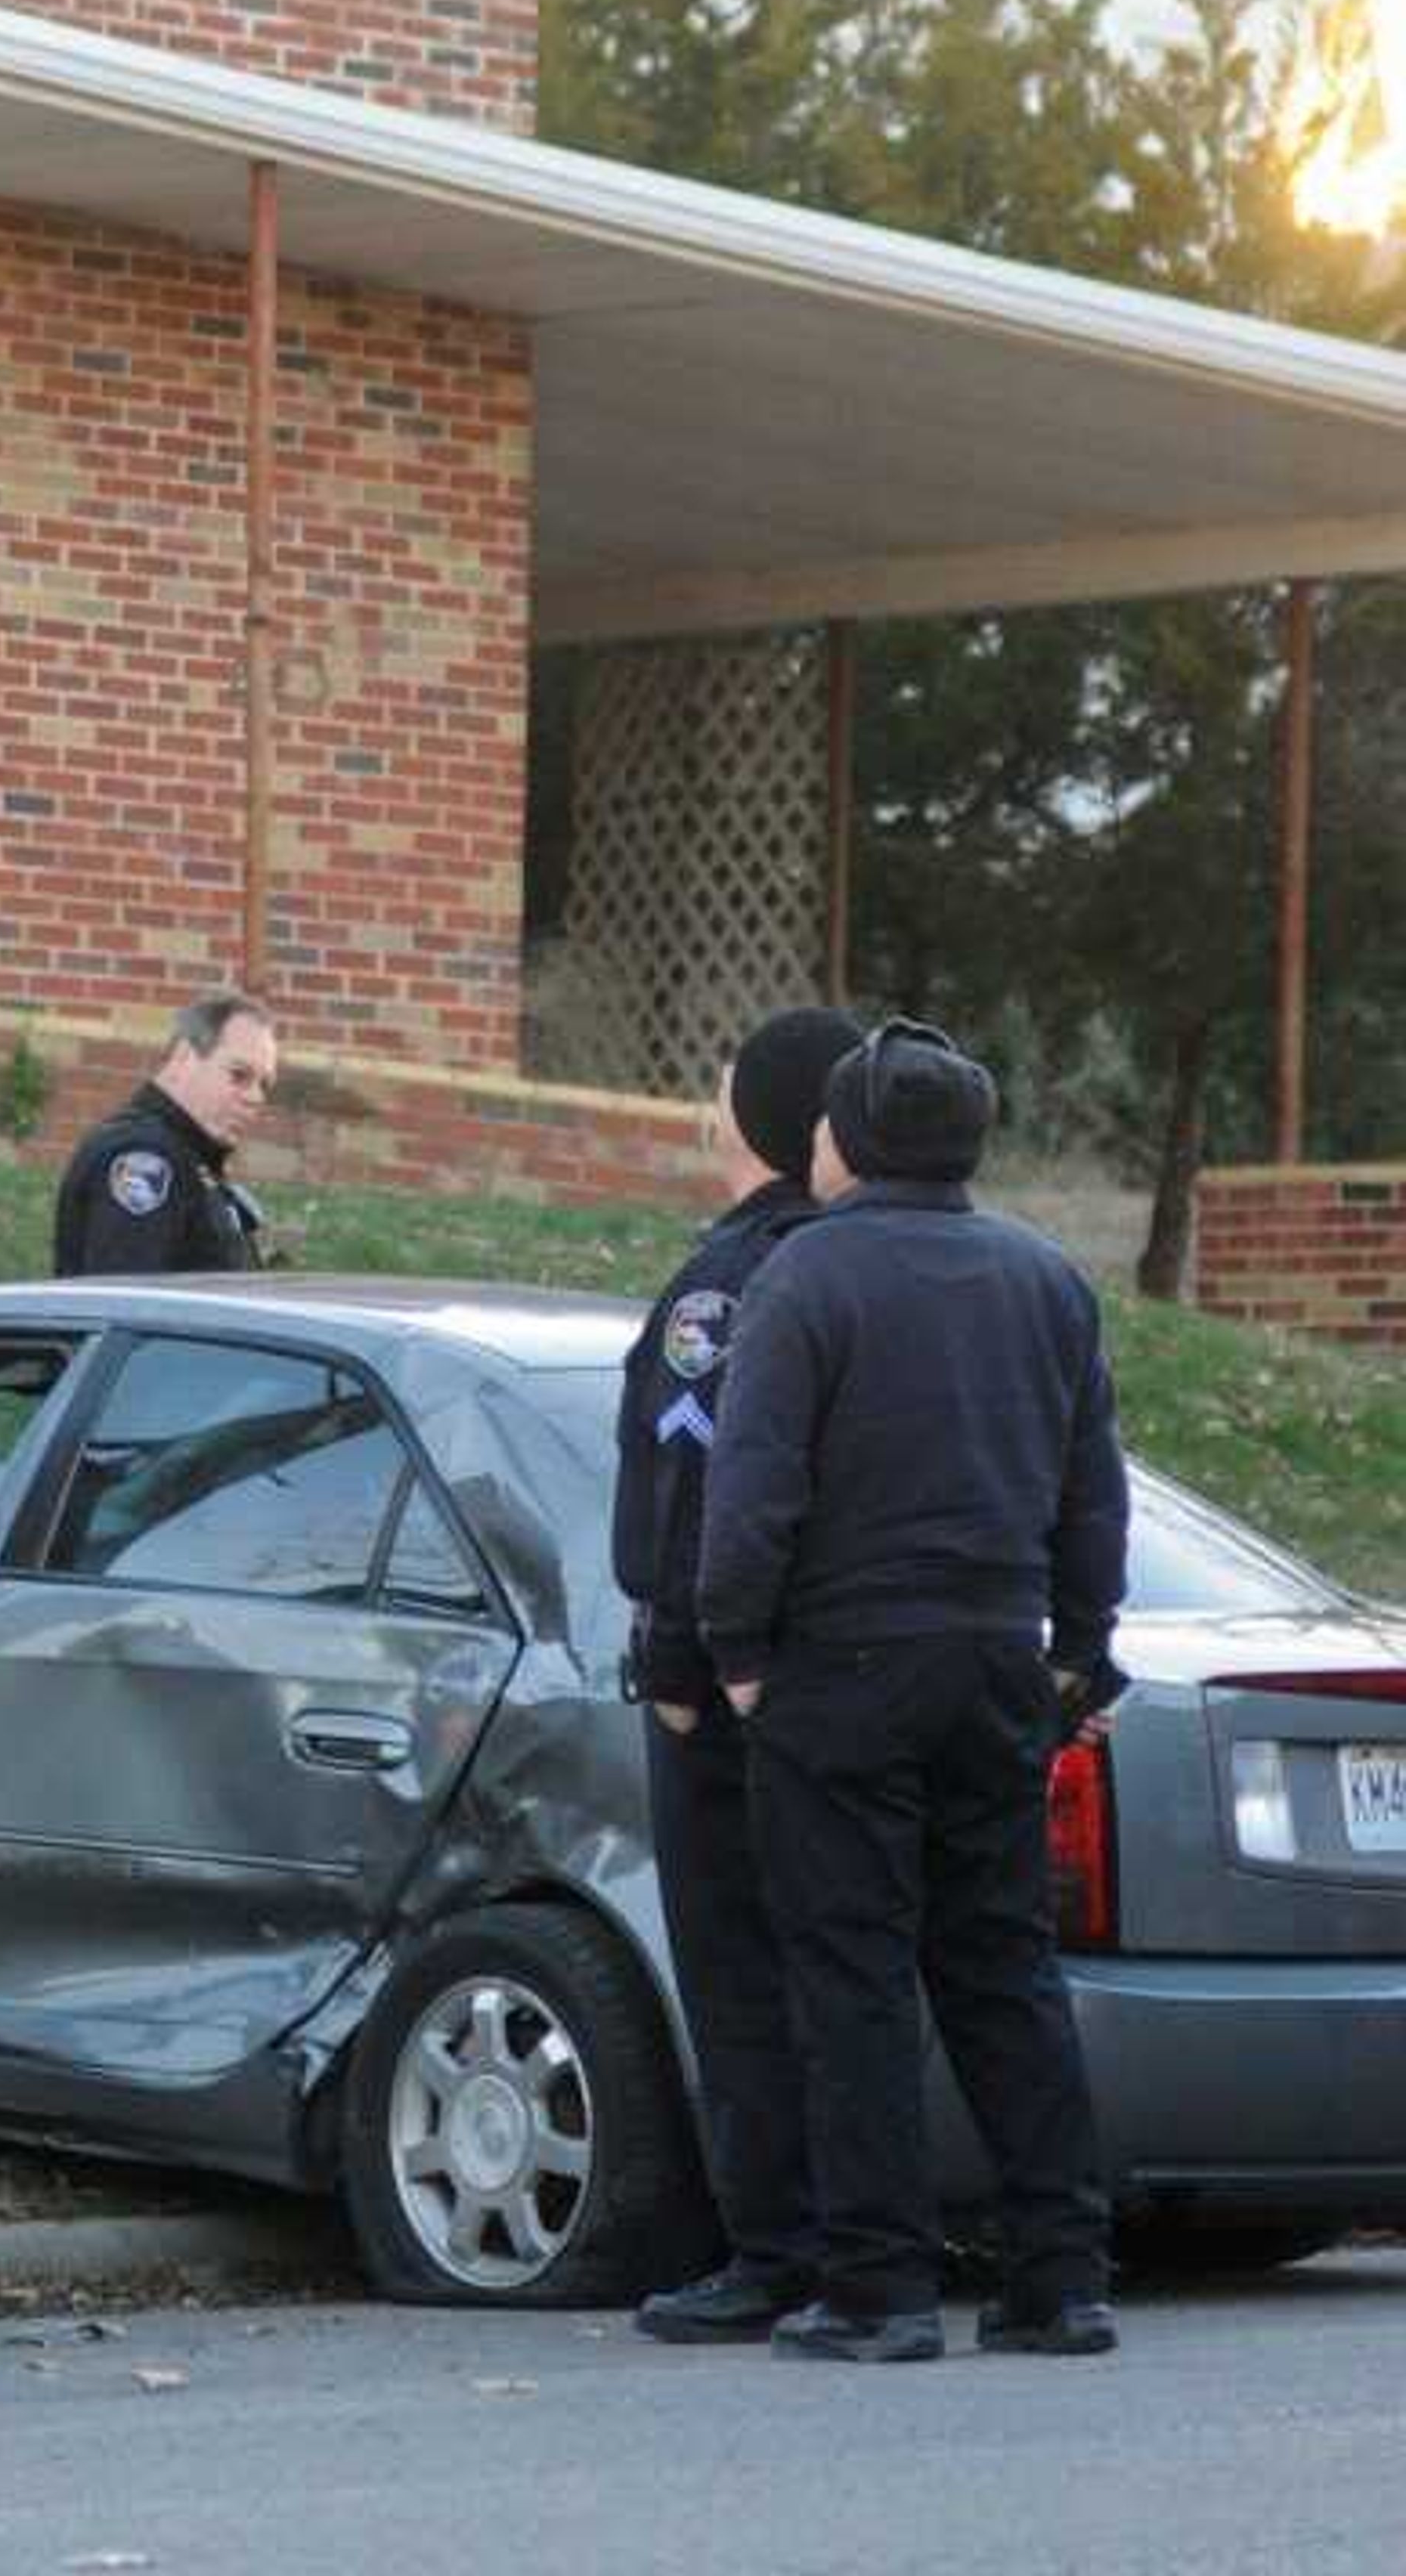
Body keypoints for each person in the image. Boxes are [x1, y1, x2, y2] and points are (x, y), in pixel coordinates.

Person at [698, 1017, 1129, 2367]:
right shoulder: (1046, 1279)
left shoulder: (809, 1277)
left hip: (843, 1665)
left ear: (856, 1139)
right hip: (998, 1656)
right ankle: (1061, 2276)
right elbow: (1089, 1486)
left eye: (827, 1123)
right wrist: (1082, 1644)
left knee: (853, 1973)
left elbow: (753, 1482)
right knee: (1005, 1965)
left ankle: (878, 2286)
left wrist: (739, 1653)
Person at [613, 1002, 864, 2344]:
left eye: (721, 1096)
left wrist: (674, 1659)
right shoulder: (872, 1265)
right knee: (840, 1963)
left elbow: (687, 1476)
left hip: (731, 1683)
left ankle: (772, 2246)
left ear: (761, 1121)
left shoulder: (732, 1280)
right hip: (851, 1674)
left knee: (739, 1966)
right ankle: (859, 2232)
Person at [51, 990, 276, 1276]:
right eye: (239, 1075)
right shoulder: (144, 1157)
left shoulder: (191, 1159)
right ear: (185, 1056)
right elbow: (127, 1302)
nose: (255, 1098)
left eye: (265, 1085)